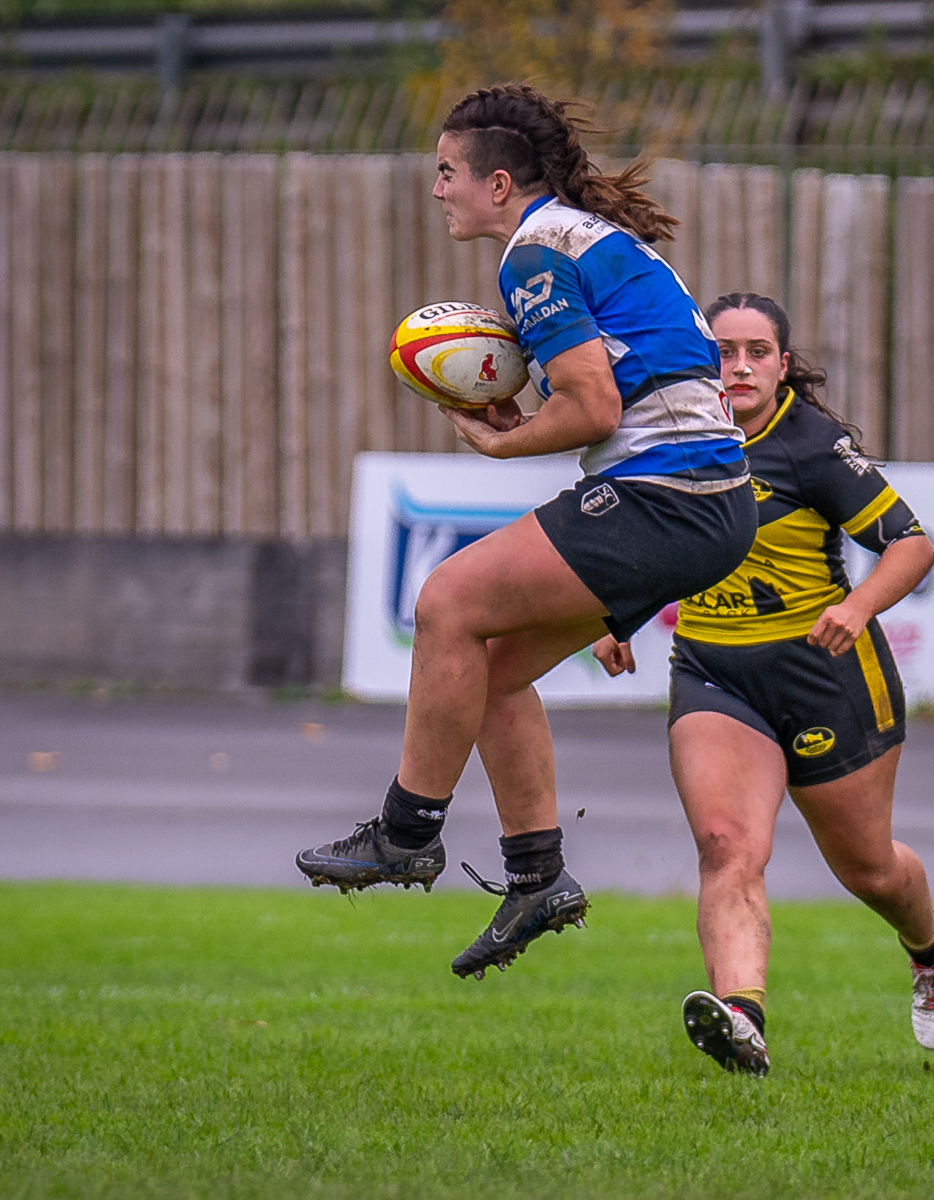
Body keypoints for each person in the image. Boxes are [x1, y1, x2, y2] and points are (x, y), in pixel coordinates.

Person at [294, 85, 757, 983]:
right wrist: (534, 411)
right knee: (490, 671)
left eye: (446, 172)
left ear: (498, 183)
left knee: (447, 603)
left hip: (671, 493)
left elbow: (594, 407)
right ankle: (537, 875)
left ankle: (405, 833)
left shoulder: (534, 251)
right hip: (703, 498)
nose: (436, 189)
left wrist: (510, 439)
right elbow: (613, 391)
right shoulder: (582, 237)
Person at [588, 293, 934, 1076]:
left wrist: (858, 608)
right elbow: (656, 544)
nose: (739, 366)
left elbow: (912, 546)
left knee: (869, 870)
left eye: (757, 351)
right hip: (714, 670)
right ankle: (742, 1019)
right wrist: (617, 615)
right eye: (724, 350)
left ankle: (930, 948)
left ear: (783, 366)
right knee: (727, 847)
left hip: (825, 673)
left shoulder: (813, 446)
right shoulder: (672, 438)